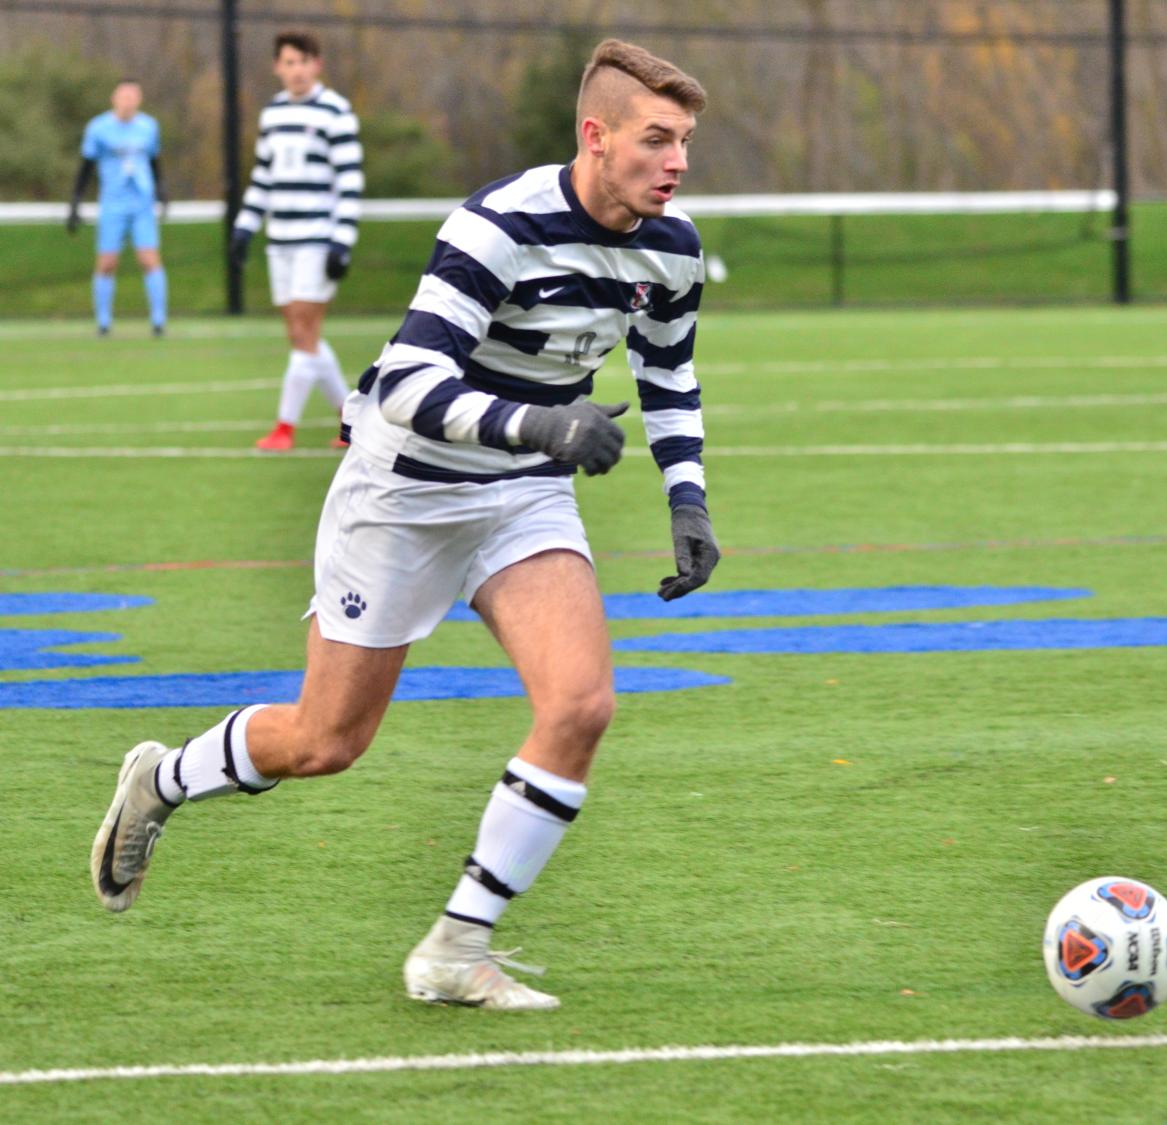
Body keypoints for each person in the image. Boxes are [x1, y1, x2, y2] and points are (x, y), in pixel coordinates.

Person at [91, 39, 720, 1013]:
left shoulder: (671, 247)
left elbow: (669, 374)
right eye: (656, 139)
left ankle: (456, 949)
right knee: (325, 740)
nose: (676, 161)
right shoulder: (498, 225)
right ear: (595, 138)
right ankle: (162, 781)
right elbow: (414, 385)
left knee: (582, 705)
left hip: (521, 493)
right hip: (404, 490)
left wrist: (687, 497)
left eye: (683, 141)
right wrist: (541, 423)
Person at [230, 30, 363, 452]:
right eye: (288, 62)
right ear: (278, 67)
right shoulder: (272, 114)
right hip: (280, 241)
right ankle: (352, 419)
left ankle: (284, 428)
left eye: (303, 61)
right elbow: (263, 176)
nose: (296, 70)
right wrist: (245, 225)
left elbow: (350, 182)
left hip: (316, 240)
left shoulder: (336, 112)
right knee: (300, 334)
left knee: (305, 326)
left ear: (316, 65)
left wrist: (341, 241)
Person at [68, 79, 169, 337]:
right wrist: (75, 201)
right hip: (113, 203)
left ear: (139, 99)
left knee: (149, 258)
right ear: (114, 98)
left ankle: (158, 321)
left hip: (142, 203)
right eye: (123, 96)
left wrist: (162, 191)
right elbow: (86, 166)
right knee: (107, 263)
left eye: (133, 96)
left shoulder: (149, 127)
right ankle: (103, 322)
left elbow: (155, 161)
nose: (128, 101)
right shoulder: (98, 128)